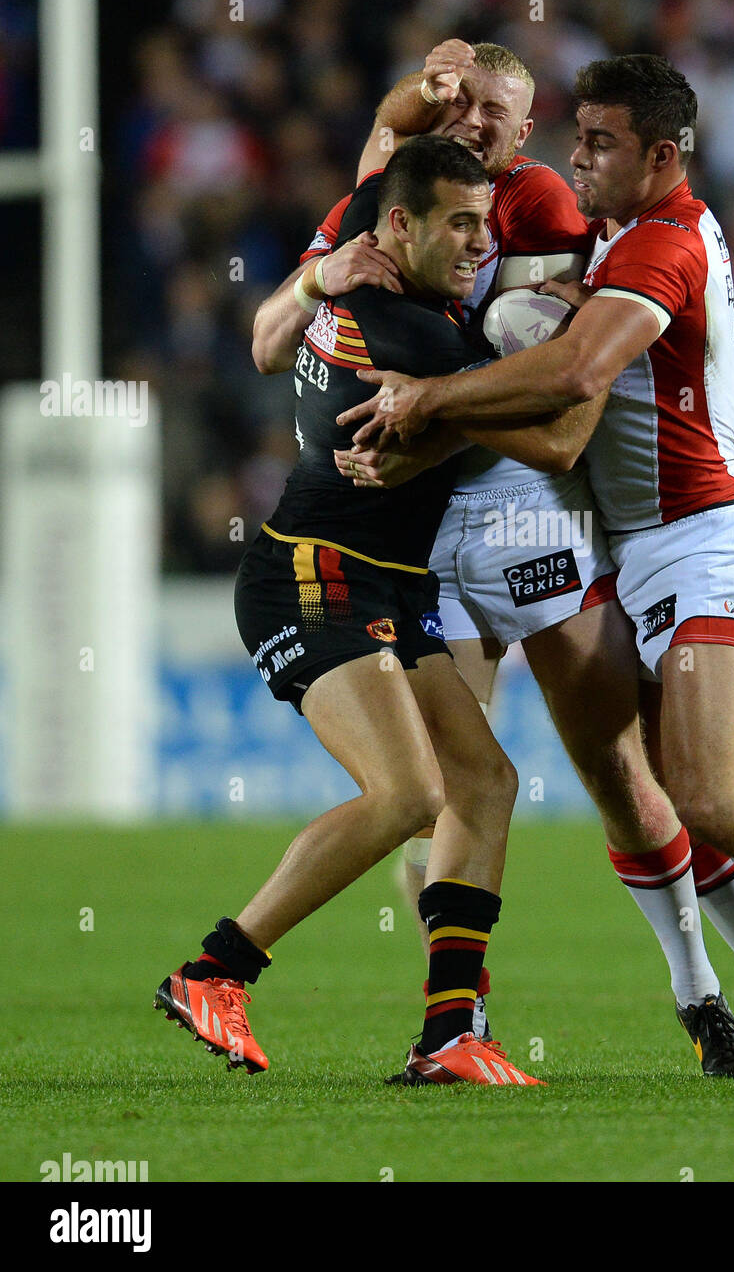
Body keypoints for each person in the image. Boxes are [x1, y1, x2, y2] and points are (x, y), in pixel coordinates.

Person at [341, 55, 734, 1080]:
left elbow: (575, 384)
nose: (572, 156)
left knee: (702, 795)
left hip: (698, 537)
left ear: (660, 156)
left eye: (596, 142)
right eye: (573, 136)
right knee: (651, 782)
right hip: (630, 544)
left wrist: (429, 401)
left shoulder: (659, 247)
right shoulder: (619, 232)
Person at [155, 135, 578, 1087]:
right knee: (409, 795)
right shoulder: (421, 338)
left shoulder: (366, 288)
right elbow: (554, 433)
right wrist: (575, 329)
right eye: (460, 225)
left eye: (487, 224)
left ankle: (448, 1034)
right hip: (318, 572)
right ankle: (214, 970)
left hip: (388, 580)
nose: (481, 245)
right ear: (400, 226)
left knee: (484, 785)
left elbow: (273, 334)